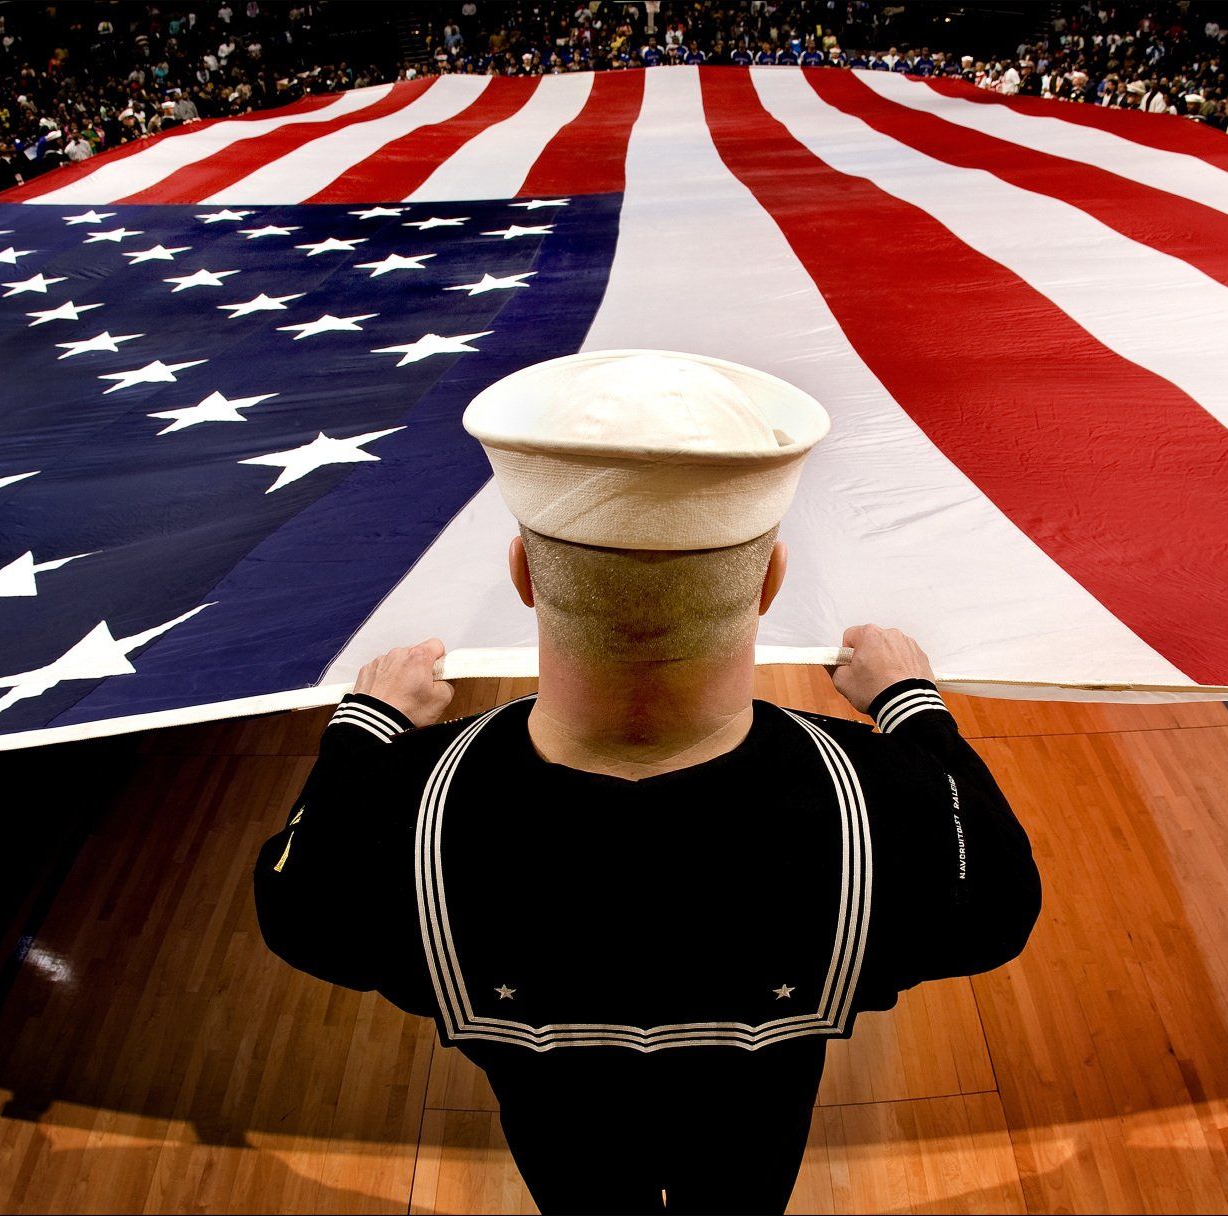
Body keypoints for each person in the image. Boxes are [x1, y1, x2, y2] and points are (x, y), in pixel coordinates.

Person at [254, 351, 1042, 1214]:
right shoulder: (891, 797)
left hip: (557, 1127)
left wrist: (365, 728)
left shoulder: (392, 806)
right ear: (771, 581)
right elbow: (1000, 908)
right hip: (756, 1124)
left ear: (523, 574)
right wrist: (913, 709)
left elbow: (297, 913)